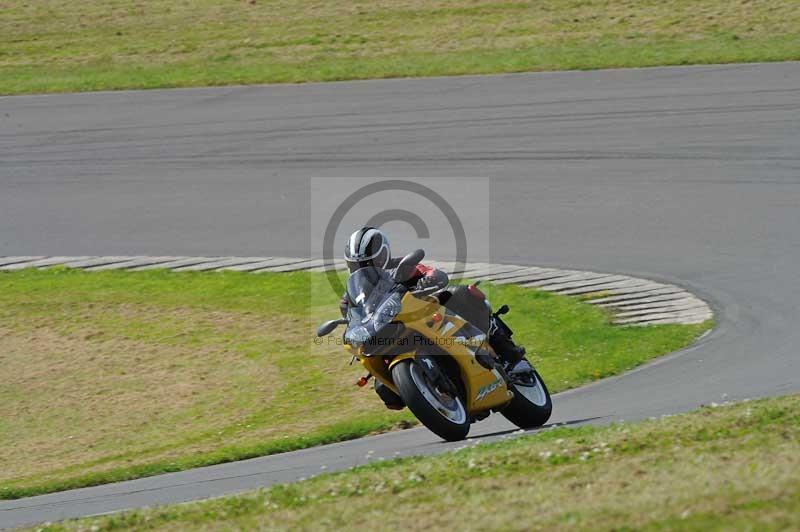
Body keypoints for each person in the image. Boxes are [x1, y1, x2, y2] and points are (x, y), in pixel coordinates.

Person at [341, 226, 530, 409]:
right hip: (391, 330)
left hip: (426, 312)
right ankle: (430, 393)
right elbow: (352, 317)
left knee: (461, 294)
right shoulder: (352, 295)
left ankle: (509, 354)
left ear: (383, 253)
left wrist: (429, 279)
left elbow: (432, 273)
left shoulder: (402, 266)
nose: (366, 266)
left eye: (370, 260)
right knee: (385, 391)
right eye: (359, 264)